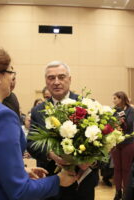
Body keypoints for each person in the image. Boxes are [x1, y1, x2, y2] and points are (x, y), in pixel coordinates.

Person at [0, 46, 76, 200]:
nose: (12, 78)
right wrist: (58, 180)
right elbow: (20, 191)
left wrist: (20, 172)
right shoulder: (2, 116)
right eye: (11, 72)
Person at [27, 61, 99, 200]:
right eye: (51, 78)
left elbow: (101, 141)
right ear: (46, 81)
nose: (56, 82)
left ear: (69, 79)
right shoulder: (38, 111)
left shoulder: (87, 105)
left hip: (82, 181)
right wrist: (51, 154)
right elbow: (31, 143)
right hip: (51, 181)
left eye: (61, 77)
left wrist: (91, 160)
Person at [111, 91, 134, 200]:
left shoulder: (130, 109)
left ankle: (126, 192)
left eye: (115, 98)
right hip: (116, 144)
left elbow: (130, 122)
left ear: (121, 98)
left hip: (127, 143)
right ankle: (118, 192)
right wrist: (117, 121)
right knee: (117, 169)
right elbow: (110, 123)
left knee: (126, 169)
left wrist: (121, 119)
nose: (114, 100)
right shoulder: (114, 110)